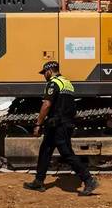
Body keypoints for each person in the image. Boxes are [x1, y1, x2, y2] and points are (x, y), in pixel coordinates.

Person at [24, 61, 99, 196]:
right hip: (63, 123)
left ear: (49, 71)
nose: (44, 76)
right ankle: (38, 181)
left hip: (59, 124)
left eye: (44, 73)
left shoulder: (53, 83)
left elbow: (47, 104)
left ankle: (89, 180)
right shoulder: (67, 83)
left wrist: (38, 124)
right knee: (45, 150)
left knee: (67, 153)